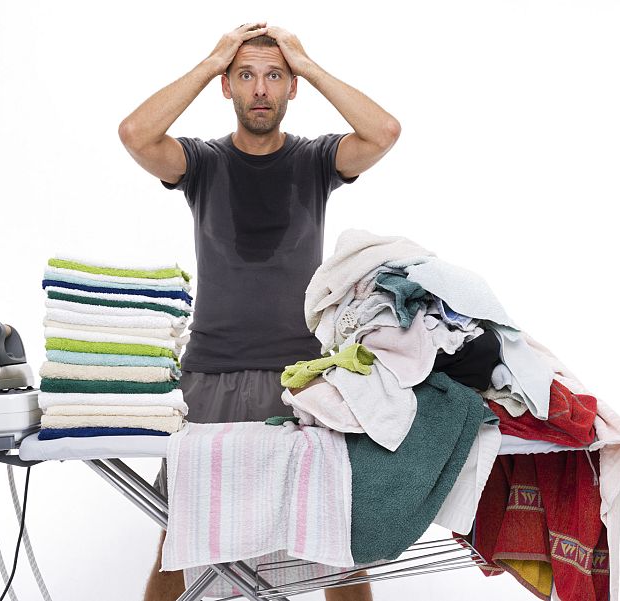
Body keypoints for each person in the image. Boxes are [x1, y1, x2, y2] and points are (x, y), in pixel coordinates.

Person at [118, 22, 400, 601]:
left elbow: (384, 132)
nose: (261, 89)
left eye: (275, 76)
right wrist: (210, 61)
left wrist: (309, 64)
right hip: (210, 375)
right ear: (227, 87)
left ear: (292, 87)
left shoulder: (316, 159)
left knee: (338, 540)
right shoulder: (202, 163)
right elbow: (135, 134)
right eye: (245, 75)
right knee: (179, 537)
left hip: (303, 379)